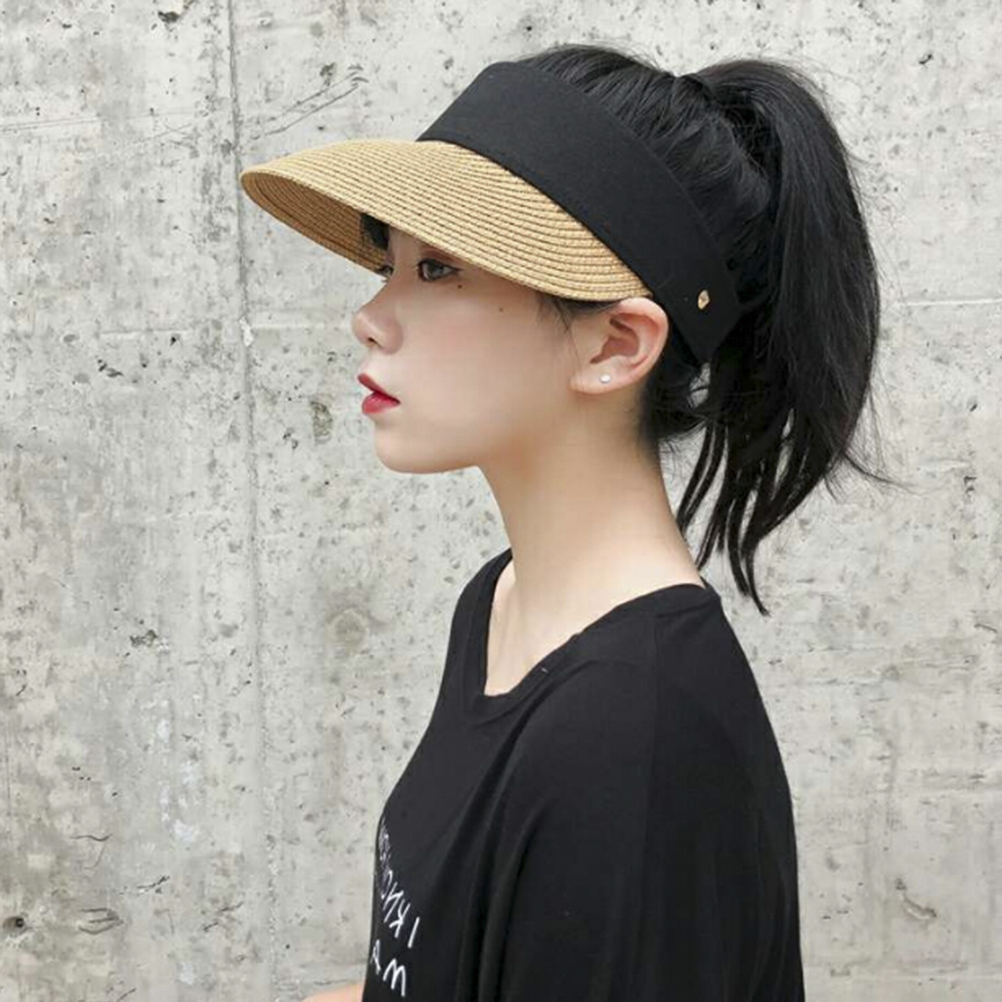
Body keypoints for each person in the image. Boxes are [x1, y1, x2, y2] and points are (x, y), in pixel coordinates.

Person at [241, 40, 895, 1002]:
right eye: (390, 261)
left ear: (615, 344)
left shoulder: (632, 740)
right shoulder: (503, 604)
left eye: (437, 270)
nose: (369, 316)